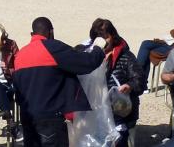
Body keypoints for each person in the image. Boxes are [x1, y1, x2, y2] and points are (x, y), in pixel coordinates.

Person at [11, 16, 105, 147]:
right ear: (51, 32)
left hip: (27, 119)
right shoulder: (52, 48)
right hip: (50, 120)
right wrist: (98, 49)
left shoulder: (20, 55)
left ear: (32, 34)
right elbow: (86, 64)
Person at [88, 18, 142, 146]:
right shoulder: (88, 57)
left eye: (106, 37)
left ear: (113, 35)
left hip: (120, 114)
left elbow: (140, 80)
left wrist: (129, 86)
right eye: (99, 38)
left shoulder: (125, 56)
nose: (104, 42)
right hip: (97, 115)